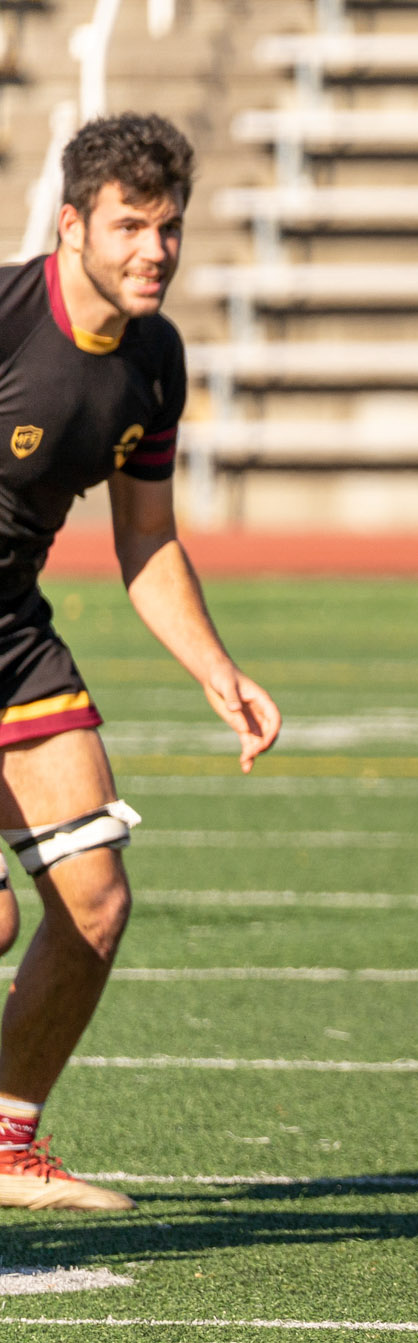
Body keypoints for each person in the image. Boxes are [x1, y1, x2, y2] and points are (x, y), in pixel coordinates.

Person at [0, 114, 282, 1211]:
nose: (154, 250)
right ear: (70, 225)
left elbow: (147, 539)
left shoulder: (154, 360)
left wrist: (219, 670)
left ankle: (9, 1143)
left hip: (13, 633)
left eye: (168, 227)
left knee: (95, 901)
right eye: (129, 226)